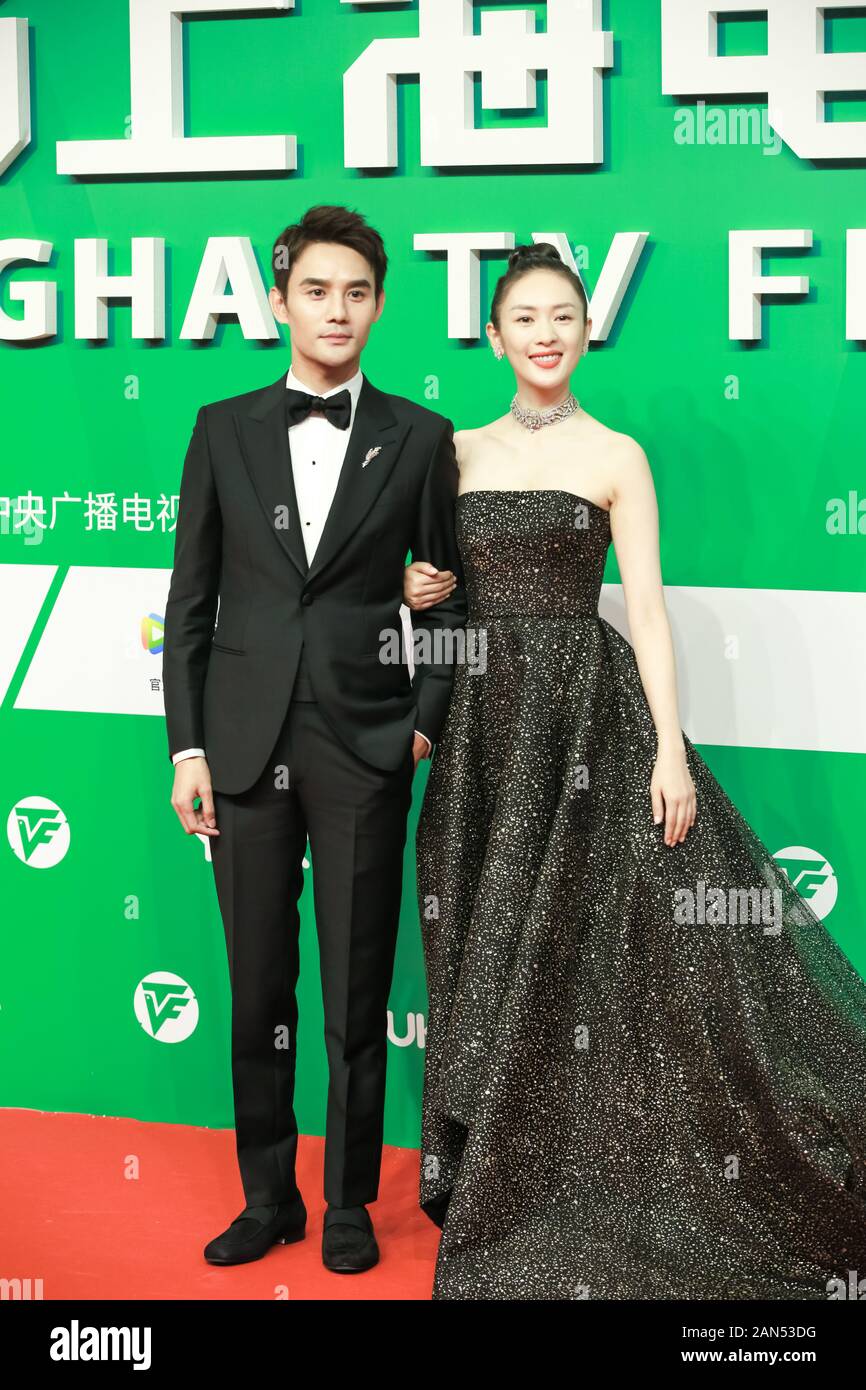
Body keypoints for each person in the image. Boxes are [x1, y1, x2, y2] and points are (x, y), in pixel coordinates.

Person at [403, 241, 866, 1300]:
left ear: (583, 327)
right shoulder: (451, 452)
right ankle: (480, 1159)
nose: (545, 333)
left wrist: (668, 745)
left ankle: (560, 1172)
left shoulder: (615, 453)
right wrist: (416, 588)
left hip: (585, 719)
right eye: (524, 316)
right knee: (480, 933)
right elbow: (424, 589)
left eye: (562, 314)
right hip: (480, 724)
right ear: (493, 335)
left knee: (586, 956)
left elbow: (646, 609)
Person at [162, 205, 467, 1272]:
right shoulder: (220, 427)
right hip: (239, 745)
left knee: (351, 992)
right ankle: (267, 1195)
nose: (336, 311)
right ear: (282, 301)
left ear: (378, 306)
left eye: (356, 293)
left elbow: (449, 601)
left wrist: (420, 729)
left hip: (363, 741)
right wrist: (186, 749)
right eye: (316, 291)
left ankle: (343, 1202)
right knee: (257, 988)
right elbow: (188, 605)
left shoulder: (420, 438)